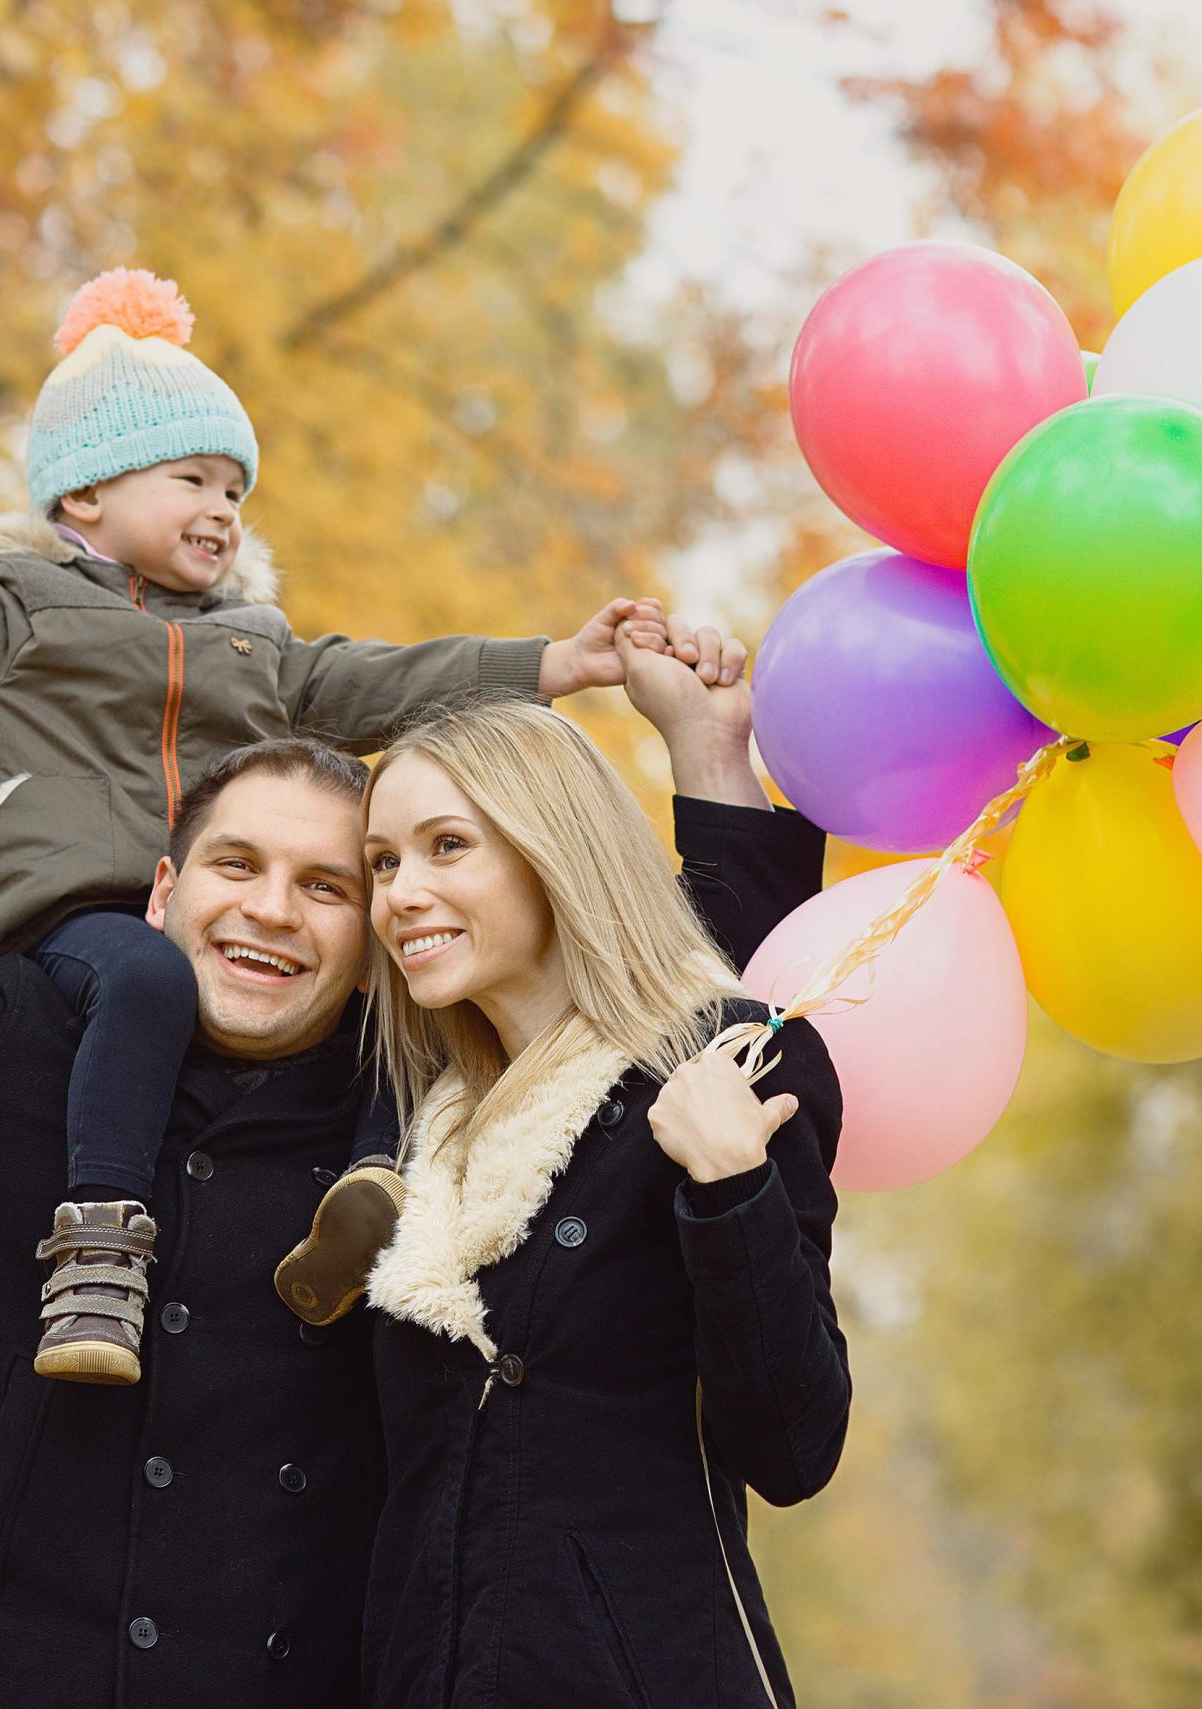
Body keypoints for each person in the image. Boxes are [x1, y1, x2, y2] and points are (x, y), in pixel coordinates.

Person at [0, 410, 824, 1707]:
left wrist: (709, 757)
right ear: (161, 893)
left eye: (331, 883)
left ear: (376, 932)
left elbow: (677, 1027)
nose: (271, 911)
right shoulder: (0, 1061)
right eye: (236, 865)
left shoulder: (432, 1133)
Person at [0, 266, 698, 1386]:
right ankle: (99, 1240)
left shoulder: (251, 645)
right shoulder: (9, 617)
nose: (223, 510)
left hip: (194, 910)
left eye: (234, 490)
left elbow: (384, 682)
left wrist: (555, 662)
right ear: (85, 496)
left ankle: (373, 1182)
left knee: (389, 967)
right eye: (193, 480)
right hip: (62, 915)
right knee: (148, 978)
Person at [353, 668, 848, 1708]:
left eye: (447, 845)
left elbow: (793, 1447)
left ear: (555, 850)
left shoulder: (722, 1065)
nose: (399, 893)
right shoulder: (417, 1129)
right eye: (382, 860)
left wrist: (733, 1187)